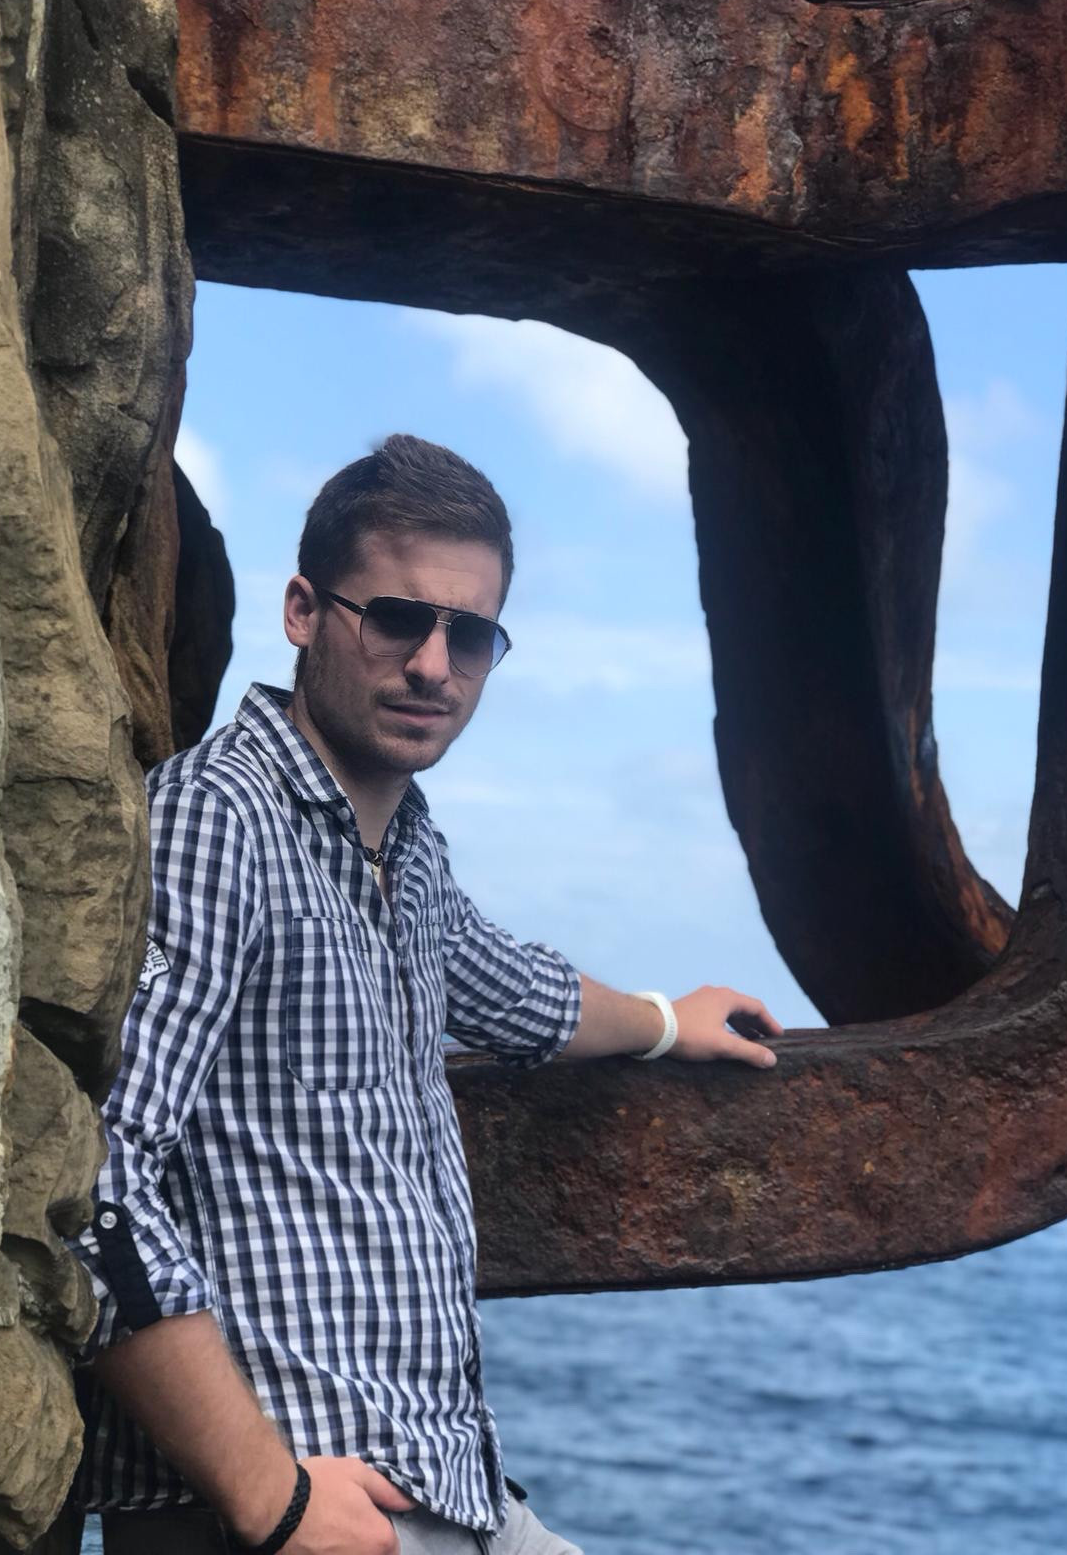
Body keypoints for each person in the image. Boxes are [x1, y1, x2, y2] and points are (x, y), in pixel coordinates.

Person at [69, 434, 783, 1555]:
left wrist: (662, 1023)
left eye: (472, 635)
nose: (434, 666)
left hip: (446, 1482)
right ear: (304, 611)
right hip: (299, 1501)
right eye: (398, 619)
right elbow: (98, 1179)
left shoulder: (403, 845)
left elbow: (508, 985)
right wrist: (270, 1495)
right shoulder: (220, 821)